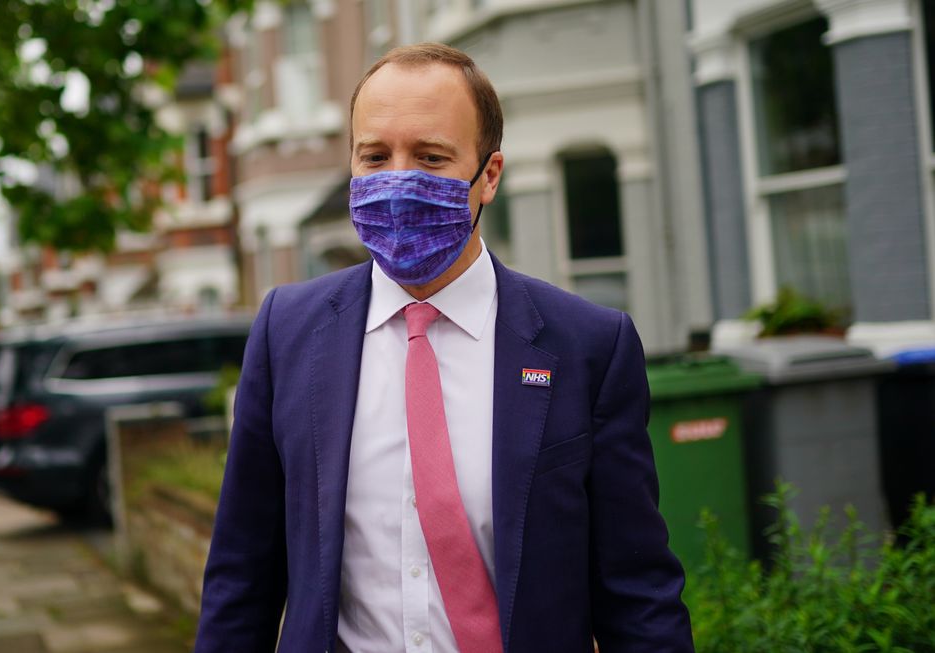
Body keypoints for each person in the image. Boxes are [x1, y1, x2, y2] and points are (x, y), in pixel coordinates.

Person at [195, 43, 694, 653]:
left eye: (430, 158)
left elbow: (637, 594)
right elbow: (241, 576)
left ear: (489, 175)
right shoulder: (286, 332)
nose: (397, 179)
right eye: (374, 156)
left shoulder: (589, 347)